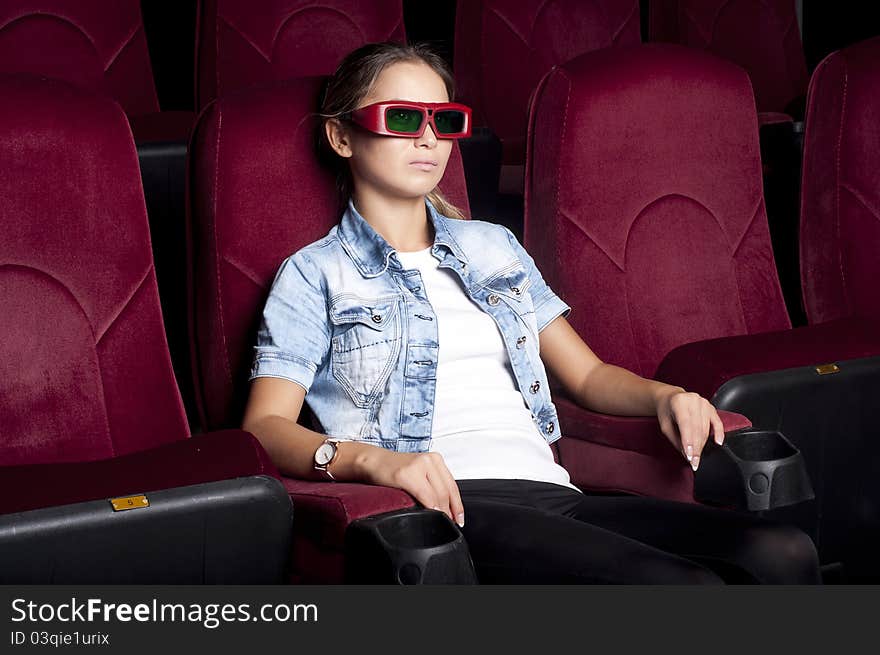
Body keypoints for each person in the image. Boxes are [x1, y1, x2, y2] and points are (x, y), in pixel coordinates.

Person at [242, 42, 821, 584]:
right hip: (448, 508)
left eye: (443, 122)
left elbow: (589, 377)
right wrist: (376, 463)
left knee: (782, 552)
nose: (428, 139)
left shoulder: (492, 246)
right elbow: (264, 429)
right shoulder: (314, 274)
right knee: (679, 587)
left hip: (551, 489)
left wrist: (666, 397)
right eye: (401, 118)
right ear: (342, 137)